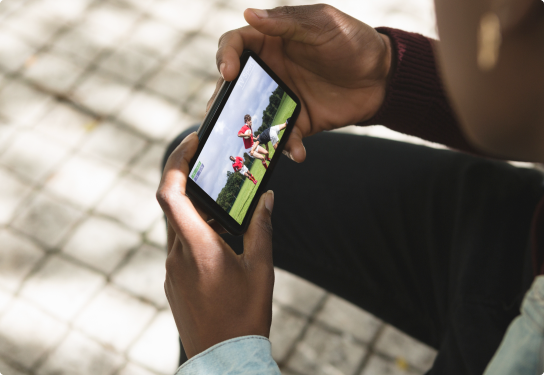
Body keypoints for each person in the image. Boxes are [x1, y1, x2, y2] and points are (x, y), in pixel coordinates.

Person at [157, 3, 544, 375]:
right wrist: (387, 72)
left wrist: (226, 355)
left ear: (510, 8)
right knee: (196, 192)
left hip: (511, 320)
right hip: (519, 230)